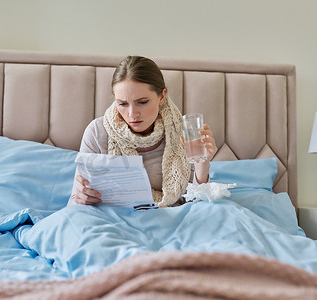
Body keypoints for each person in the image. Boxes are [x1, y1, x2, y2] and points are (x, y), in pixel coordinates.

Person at [69, 56, 217, 207]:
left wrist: (202, 166)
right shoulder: (96, 132)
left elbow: (195, 205)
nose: (132, 114)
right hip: (115, 220)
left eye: (142, 102)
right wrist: (81, 197)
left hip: (169, 218)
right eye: (122, 104)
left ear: (162, 96)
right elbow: (75, 203)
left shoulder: (184, 133)